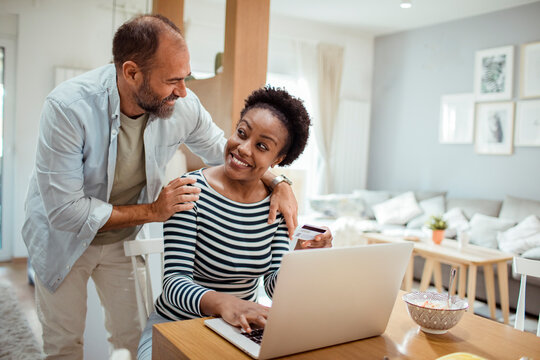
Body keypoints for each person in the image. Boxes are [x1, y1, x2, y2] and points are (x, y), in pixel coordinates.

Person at [22, 14, 313, 359]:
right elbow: (66, 212)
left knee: (132, 336)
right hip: (63, 237)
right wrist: (153, 211)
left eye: (185, 77)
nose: (183, 90)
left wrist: (279, 182)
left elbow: (227, 150)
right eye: (173, 80)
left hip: (122, 239)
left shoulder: (181, 106)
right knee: (64, 344)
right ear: (132, 73)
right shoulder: (68, 108)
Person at [137, 86, 333, 359]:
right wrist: (226, 304)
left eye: (261, 146)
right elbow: (173, 285)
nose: (242, 148)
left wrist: (302, 257)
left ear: (278, 159)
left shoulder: (275, 205)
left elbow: (273, 287)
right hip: (176, 326)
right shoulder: (190, 191)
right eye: (242, 133)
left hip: (237, 331)